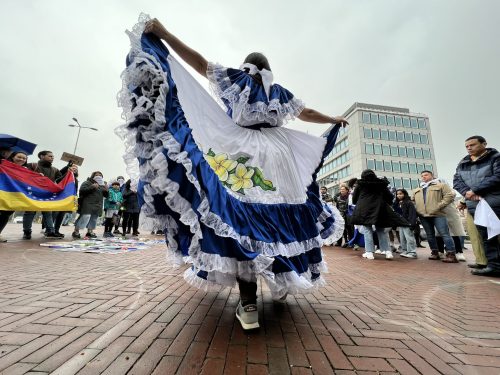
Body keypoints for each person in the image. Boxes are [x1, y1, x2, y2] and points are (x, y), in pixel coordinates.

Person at [122, 16, 348, 330]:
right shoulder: (279, 91)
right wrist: (333, 118)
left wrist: (166, 35)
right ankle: (283, 282)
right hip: (279, 156)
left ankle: (249, 304)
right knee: (282, 222)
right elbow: (307, 113)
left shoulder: (237, 80)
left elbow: (199, 64)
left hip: (244, 152)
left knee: (241, 221)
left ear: (246, 67)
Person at [453, 135, 500, 277]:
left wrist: (475, 190)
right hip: (474, 203)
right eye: (467, 146)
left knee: (494, 234)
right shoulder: (463, 162)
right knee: (484, 236)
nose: (469, 148)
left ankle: (494, 265)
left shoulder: (495, 157)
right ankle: (493, 265)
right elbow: (456, 181)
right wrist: (467, 193)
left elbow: (497, 177)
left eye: (472, 145)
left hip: (493, 201)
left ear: (484, 144)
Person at [349, 170, 409, 260]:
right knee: (381, 230)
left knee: (367, 230)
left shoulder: (360, 184)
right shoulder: (381, 184)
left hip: (365, 209)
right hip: (380, 208)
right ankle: (388, 252)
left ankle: (369, 252)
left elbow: (354, 199)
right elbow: (389, 197)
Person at [413, 170, 458, 263]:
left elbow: (449, 196)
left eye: (426, 175)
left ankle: (451, 254)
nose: (423, 177)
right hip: (423, 215)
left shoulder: (441, 185)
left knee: (444, 234)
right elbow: (413, 201)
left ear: (432, 176)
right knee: (429, 235)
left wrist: (439, 206)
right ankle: (434, 252)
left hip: (438, 214)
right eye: (422, 176)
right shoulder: (417, 189)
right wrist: (417, 211)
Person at [22, 150, 62, 239]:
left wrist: (69, 171)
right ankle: (27, 231)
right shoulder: (32, 165)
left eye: (53, 157)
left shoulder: (55, 170)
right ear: (41, 156)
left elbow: (61, 180)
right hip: (32, 193)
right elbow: (23, 175)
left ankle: (50, 231)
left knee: (48, 212)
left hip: (47, 194)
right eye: (50, 156)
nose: (52, 158)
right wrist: (34, 175)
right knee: (30, 212)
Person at [0, 151, 28, 242]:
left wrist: (39, 176)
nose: (21, 159)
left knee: (6, 215)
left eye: (24, 158)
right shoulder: (3, 165)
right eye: (19, 157)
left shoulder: (25, 169)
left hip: (14, 196)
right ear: (13, 157)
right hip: (3, 193)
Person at [72, 172, 108, 239]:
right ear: (93, 176)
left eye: (100, 175)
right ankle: (76, 231)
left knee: (94, 218)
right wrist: (92, 187)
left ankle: (90, 231)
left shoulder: (102, 185)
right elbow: (82, 191)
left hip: (98, 204)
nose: (98, 176)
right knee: (85, 216)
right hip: (88, 203)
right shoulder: (87, 182)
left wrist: (106, 189)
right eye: (96, 175)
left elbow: (106, 195)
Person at [53, 163, 79, 237]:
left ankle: (56, 230)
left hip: (68, 199)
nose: (75, 169)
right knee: (55, 214)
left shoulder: (75, 179)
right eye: (73, 168)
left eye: (76, 168)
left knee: (61, 215)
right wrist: (67, 173)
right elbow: (57, 181)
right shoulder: (64, 176)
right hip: (59, 198)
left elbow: (75, 190)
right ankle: (50, 230)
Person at [395, 189, 418, 258]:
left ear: (405, 194)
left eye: (400, 194)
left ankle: (412, 252)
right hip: (401, 223)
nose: (399, 195)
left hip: (408, 223)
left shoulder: (409, 202)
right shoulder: (397, 203)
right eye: (397, 194)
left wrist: (412, 223)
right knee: (402, 238)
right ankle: (405, 250)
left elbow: (412, 214)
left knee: (409, 238)